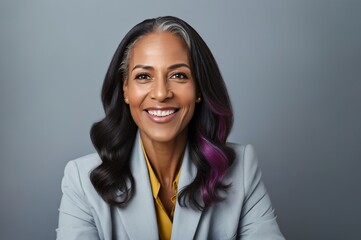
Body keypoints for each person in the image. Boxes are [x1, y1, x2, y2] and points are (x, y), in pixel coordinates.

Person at [56, 16, 285, 240]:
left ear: (198, 89)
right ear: (126, 89)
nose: (161, 93)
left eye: (178, 75)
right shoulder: (82, 181)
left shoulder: (242, 168)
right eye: (144, 76)